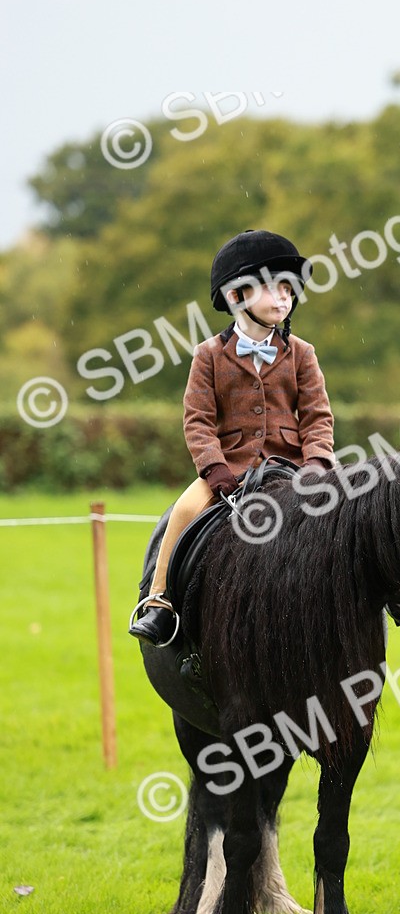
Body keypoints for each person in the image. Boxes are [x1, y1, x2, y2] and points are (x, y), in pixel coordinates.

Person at [129, 229, 335, 645]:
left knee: (355, 506)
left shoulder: (302, 353)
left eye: (288, 290)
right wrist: (214, 468)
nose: (283, 298)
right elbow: (198, 420)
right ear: (236, 296)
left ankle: (393, 597)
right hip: (230, 469)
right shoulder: (208, 355)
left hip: (295, 466)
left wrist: (317, 462)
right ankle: (159, 603)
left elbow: (317, 416)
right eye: (272, 288)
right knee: (183, 512)